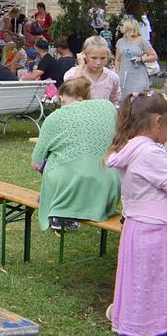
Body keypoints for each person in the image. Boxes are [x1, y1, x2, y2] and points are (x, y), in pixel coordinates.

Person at [104, 90, 167, 336]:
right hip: (155, 230)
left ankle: (139, 324)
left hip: (138, 227)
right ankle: (151, 328)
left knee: (141, 283)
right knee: (153, 283)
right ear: (158, 121)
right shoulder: (151, 153)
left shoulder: (131, 147)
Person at [30, 78, 119, 231]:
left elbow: (35, 163)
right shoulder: (108, 107)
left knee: (51, 160)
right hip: (108, 187)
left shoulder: (55, 117)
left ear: (61, 98)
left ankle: (61, 210)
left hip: (67, 187)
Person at [64, 36, 120, 103]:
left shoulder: (112, 77)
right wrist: (81, 66)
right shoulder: (73, 73)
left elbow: (114, 99)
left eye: (102, 58)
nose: (98, 63)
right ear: (84, 56)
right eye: (94, 58)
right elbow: (70, 92)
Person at [115, 17, 157, 96]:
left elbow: (154, 56)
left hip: (138, 75)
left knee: (138, 98)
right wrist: (117, 73)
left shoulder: (141, 41)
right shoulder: (120, 41)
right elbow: (117, 59)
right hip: (124, 75)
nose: (119, 27)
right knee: (125, 98)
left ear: (129, 26)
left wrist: (142, 58)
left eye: (121, 25)